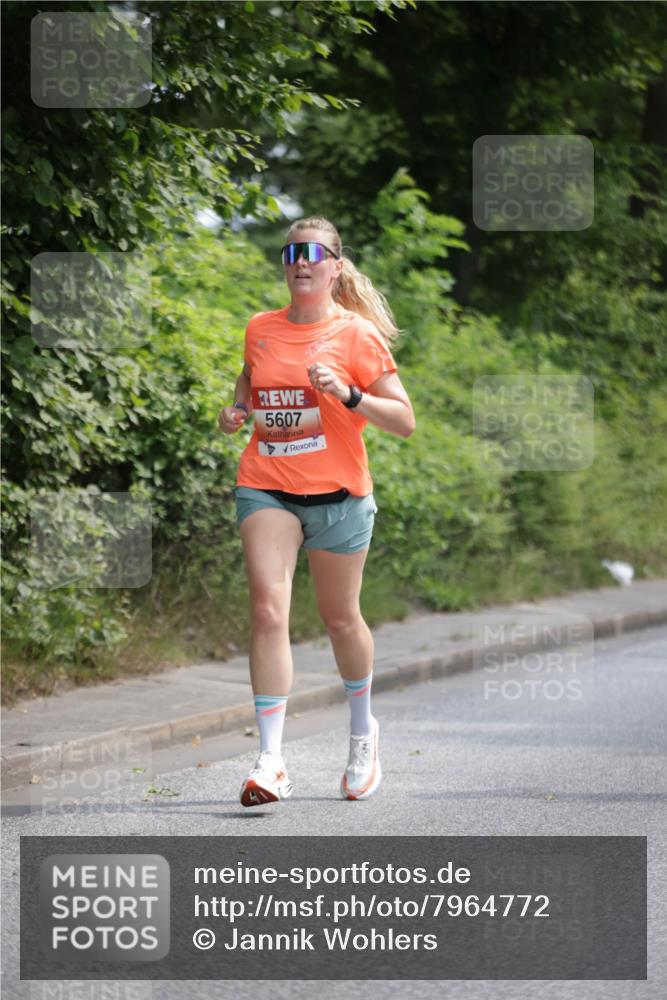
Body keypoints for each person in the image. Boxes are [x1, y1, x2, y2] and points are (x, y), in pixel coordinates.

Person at [218, 216, 415, 807]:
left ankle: (362, 734)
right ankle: (271, 760)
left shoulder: (356, 335)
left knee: (339, 619)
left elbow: (403, 421)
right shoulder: (261, 328)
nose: (300, 262)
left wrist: (348, 394)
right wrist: (235, 411)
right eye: (290, 253)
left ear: (334, 265)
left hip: (339, 496)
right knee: (267, 611)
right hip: (267, 486)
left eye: (312, 253)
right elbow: (250, 383)